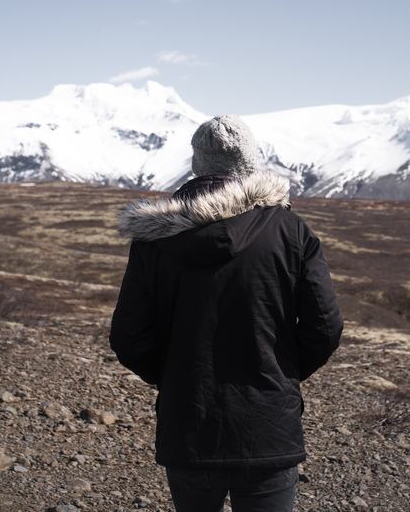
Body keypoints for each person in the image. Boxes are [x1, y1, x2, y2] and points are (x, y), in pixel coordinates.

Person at [109, 114, 344, 512]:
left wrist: (174, 377)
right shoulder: (290, 230)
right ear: (249, 165)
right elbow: (325, 326)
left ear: (198, 164)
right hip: (269, 425)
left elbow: (129, 336)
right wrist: (280, 375)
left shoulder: (153, 240)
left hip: (188, 424)